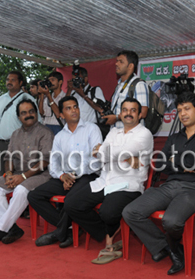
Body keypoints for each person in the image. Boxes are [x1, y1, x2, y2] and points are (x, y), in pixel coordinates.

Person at [123, 92, 195, 275]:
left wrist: (174, 161)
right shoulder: (175, 137)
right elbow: (160, 164)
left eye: (187, 109)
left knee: (171, 220)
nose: (183, 114)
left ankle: (170, 249)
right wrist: (184, 164)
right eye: (180, 110)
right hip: (170, 186)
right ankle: (171, 248)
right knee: (130, 212)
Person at [66, 97, 153, 264]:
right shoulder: (114, 132)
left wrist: (107, 151)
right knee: (72, 203)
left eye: (133, 110)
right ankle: (105, 233)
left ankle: (109, 239)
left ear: (139, 114)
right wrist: (120, 156)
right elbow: (103, 156)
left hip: (128, 184)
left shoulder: (145, 134)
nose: (129, 114)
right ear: (120, 114)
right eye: (125, 110)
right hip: (105, 179)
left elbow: (111, 153)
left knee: (107, 211)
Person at [28, 96, 102, 248]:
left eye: (75, 107)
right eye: (68, 108)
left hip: (87, 175)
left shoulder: (92, 128)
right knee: (34, 196)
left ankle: (59, 233)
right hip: (66, 176)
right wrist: (62, 176)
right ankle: (68, 228)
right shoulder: (60, 136)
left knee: (71, 199)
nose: (74, 110)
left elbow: (96, 160)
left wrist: (74, 175)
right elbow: (54, 163)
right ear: (61, 115)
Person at [0, 99, 54, 245]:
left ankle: (1, 230)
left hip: (40, 175)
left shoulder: (45, 133)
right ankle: (12, 228)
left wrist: (23, 176)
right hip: (18, 173)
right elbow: (9, 157)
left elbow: (44, 161)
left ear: (36, 113)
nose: (28, 115)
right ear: (19, 117)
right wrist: (9, 173)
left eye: (31, 111)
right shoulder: (15, 134)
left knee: (20, 190)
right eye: (24, 113)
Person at [0, 71, 38, 176]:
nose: (9, 82)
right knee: (4, 174)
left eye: (13, 80)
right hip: (2, 144)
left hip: (22, 143)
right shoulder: (1, 99)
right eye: (7, 80)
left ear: (20, 83)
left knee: (20, 173)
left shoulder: (28, 99)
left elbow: (37, 123)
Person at [101, 50, 149, 128]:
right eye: (117, 61)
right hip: (116, 134)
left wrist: (116, 118)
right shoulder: (119, 85)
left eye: (121, 62)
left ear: (130, 66)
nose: (116, 64)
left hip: (131, 136)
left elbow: (143, 113)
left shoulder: (138, 84)